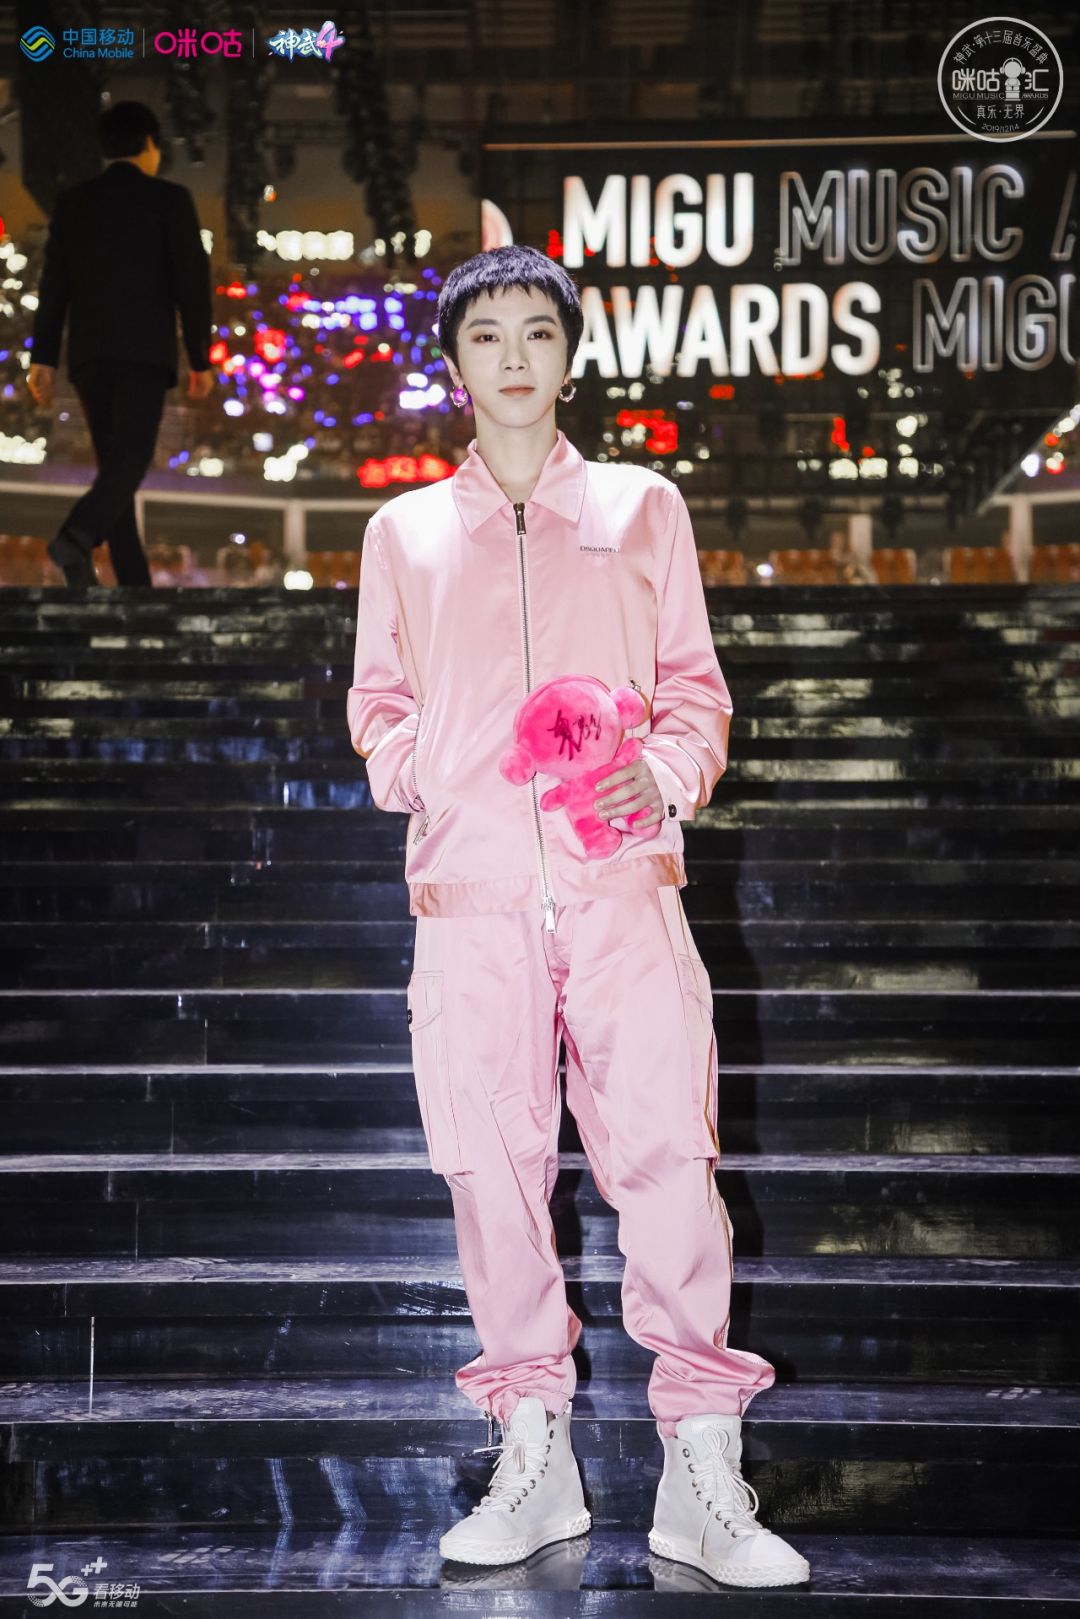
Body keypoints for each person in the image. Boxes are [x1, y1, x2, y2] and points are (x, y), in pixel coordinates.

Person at [347, 244, 810, 1590]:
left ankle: (701, 1471)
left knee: (669, 1163)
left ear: (569, 355)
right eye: (485, 334)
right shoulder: (404, 533)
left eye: (536, 332)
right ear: (454, 362)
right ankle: (532, 1455)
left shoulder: (641, 507)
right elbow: (378, 705)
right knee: (491, 1178)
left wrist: (661, 772)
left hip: (621, 893)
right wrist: (426, 770)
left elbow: (696, 692)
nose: (512, 356)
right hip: (472, 903)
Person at [27, 101, 215, 587]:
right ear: (150, 144)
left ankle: (134, 584)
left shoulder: (74, 202)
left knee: (117, 466)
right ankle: (76, 535)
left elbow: (54, 285)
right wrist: (200, 358)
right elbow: (192, 283)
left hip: (88, 354)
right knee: (131, 458)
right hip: (144, 352)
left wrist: (42, 357)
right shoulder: (170, 199)